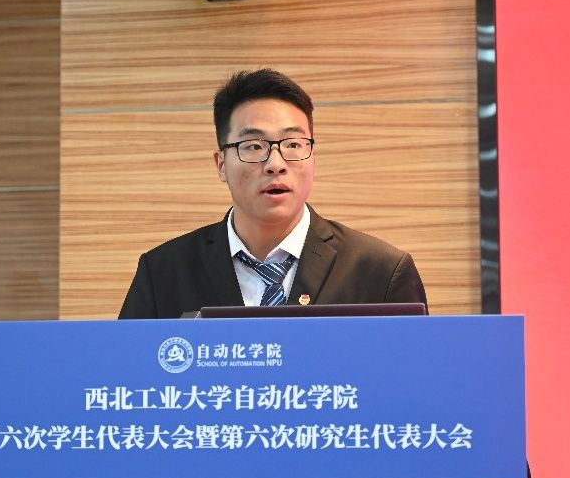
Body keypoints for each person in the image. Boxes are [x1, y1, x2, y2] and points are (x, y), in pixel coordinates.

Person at [118, 68, 426, 319]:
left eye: (293, 145)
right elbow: (128, 372)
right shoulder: (162, 272)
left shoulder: (381, 272)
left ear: (313, 158)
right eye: (254, 146)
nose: (275, 164)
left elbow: (413, 373)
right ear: (221, 164)